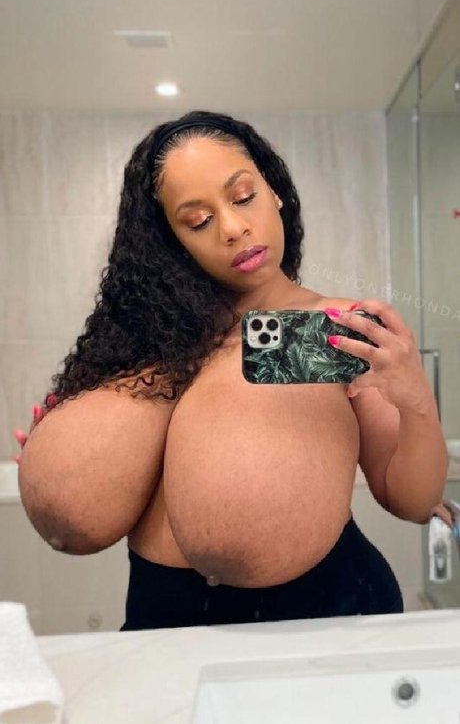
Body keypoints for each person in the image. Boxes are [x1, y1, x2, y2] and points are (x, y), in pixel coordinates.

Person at [14, 110, 448, 630]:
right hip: (162, 624)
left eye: (243, 197)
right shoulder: (153, 341)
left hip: (320, 619)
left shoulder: (335, 326)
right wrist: (69, 455)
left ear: (275, 191)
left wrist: (416, 401)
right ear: (172, 241)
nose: (234, 228)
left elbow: (412, 501)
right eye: (198, 221)